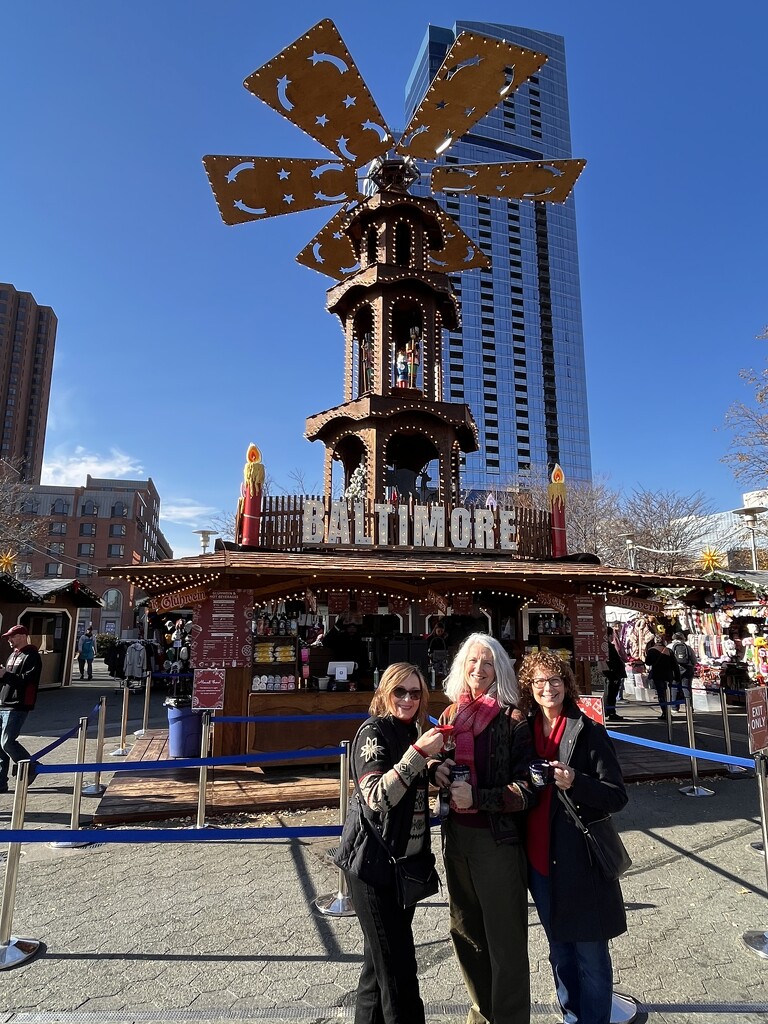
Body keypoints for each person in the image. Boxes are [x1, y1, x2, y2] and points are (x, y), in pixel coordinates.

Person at [518, 649, 628, 1024]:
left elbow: (616, 795)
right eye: (539, 682)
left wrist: (576, 781)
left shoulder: (588, 730)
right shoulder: (523, 731)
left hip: (580, 861)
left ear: (566, 683)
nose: (548, 688)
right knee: (559, 951)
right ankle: (572, 1016)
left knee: (591, 954)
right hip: (538, 860)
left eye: (555, 680)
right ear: (529, 688)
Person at [431, 633, 535, 1024]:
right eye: (472, 661)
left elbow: (529, 788)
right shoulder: (451, 715)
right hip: (456, 836)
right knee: (466, 932)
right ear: (461, 666)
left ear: (500, 670)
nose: (479, 669)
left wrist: (479, 798)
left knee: (505, 942)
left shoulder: (513, 718)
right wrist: (434, 770)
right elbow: (435, 758)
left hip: (497, 839)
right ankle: (482, 1013)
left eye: (488, 662)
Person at [343, 663, 447, 1024]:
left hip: (402, 866)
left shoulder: (408, 731)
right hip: (375, 867)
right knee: (400, 973)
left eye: (415, 693)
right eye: (399, 691)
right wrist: (420, 754)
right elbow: (376, 797)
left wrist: (431, 766)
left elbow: (411, 765)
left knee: (378, 970)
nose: (407, 699)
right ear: (384, 693)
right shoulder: (374, 731)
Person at [0, 624, 43, 792]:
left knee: (7, 742)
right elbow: (10, 679)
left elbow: (28, 680)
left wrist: (6, 675)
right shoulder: (12, 655)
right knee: (0, 745)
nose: (10, 640)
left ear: (23, 636)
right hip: (4, 702)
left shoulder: (32, 655)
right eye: (8, 637)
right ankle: (1, 781)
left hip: (18, 705)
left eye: (13, 636)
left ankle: (31, 766)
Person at [645, 634, 680, 719]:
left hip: (657, 675)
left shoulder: (651, 650)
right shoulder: (668, 650)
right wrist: (677, 676)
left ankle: (664, 712)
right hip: (668, 675)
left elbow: (647, 662)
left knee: (661, 695)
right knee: (668, 694)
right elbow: (675, 665)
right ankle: (668, 712)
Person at [603, 628, 626, 722]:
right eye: (612, 634)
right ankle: (611, 712)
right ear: (609, 635)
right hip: (612, 674)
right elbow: (613, 662)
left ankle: (609, 711)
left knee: (609, 693)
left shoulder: (606, 646)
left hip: (610, 674)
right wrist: (615, 674)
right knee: (611, 694)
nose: (613, 637)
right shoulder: (609, 647)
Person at [669, 631, 697, 711]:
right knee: (686, 688)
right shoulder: (688, 647)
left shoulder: (670, 646)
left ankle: (674, 707)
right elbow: (694, 660)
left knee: (674, 688)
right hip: (687, 669)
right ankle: (689, 707)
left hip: (674, 670)